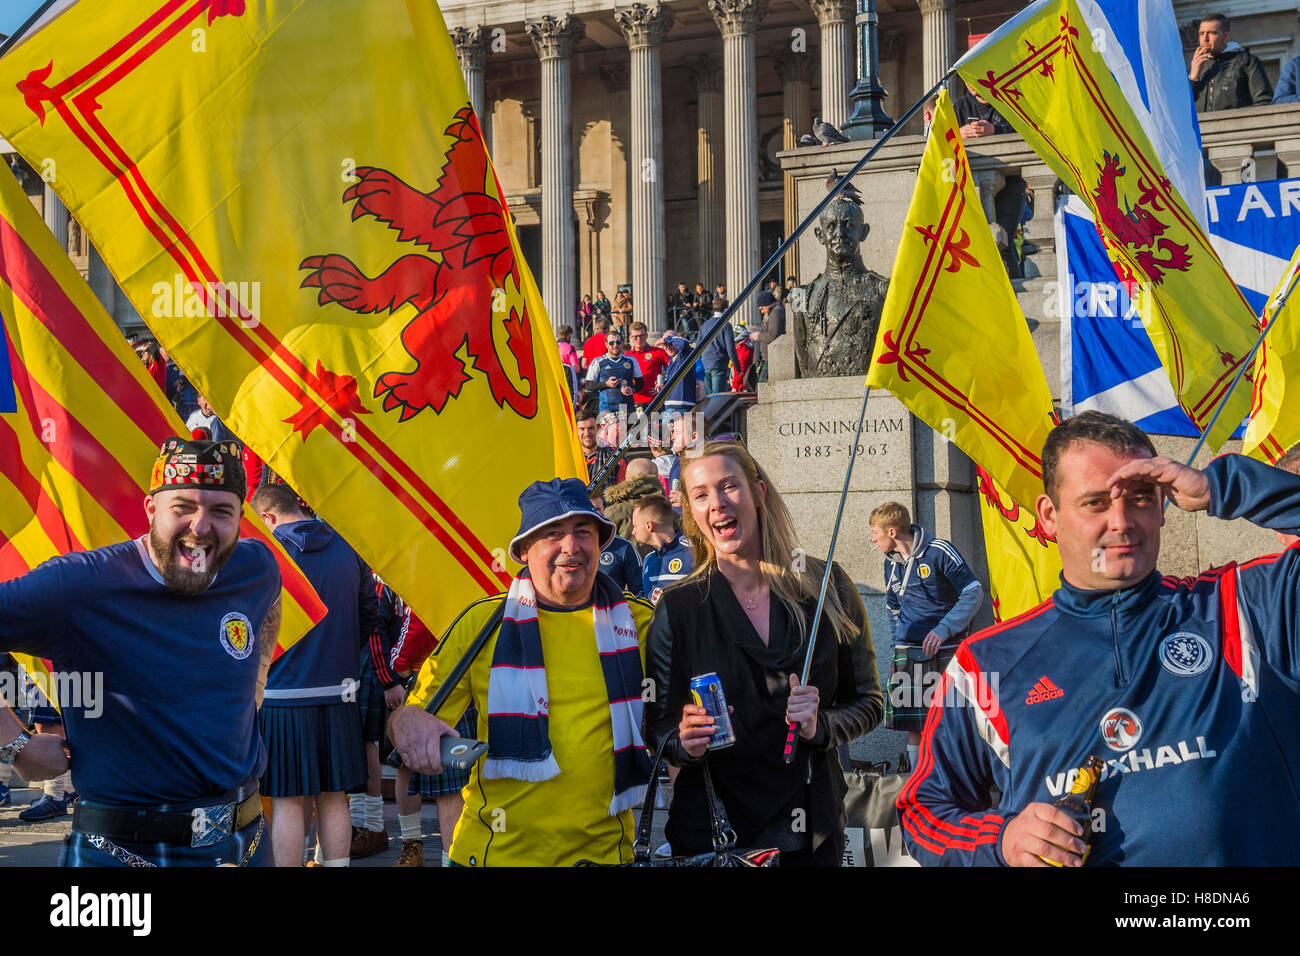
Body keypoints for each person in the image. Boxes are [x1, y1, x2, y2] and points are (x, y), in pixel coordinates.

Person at [899, 410, 1300, 866]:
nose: (1123, 521)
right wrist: (1003, 841)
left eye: (1142, 498)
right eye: (1096, 503)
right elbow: (922, 813)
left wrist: (1222, 487)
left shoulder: (1243, 607)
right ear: (1049, 516)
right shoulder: (984, 662)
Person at [0, 436, 280, 866]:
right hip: (119, 852)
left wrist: (254, 685)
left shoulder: (254, 567)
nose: (201, 526)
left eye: (221, 511)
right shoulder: (80, 585)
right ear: (151, 510)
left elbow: (269, 604)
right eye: (183, 507)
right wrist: (13, 745)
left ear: (241, 518)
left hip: (246, 844)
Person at [389, 478, 657, 866]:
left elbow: (686, 717)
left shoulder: (640, 623)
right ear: (524, 550)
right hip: (493, 855)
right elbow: (411, 716)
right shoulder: (483, 624)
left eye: (584, 532)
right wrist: (406, 723)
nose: (571, 547)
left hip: (604, 858)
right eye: (553, 534)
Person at [644, 442, 882, 866]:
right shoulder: (678, 608)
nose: (716, 503)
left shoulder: (827, 585)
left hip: (811, 831)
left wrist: (820, 725)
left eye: (729, 486)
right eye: (700, 494)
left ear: (759, 493)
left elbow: (869, 702)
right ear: (693, 515)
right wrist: (684, 741)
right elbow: (656, 729)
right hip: (714, 836)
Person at [251, 483, 379, 867]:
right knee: (333, 795)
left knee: (290, 800)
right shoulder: (347, 547)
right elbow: (370, 615)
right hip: (340, 694)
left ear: (267, 518)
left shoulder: (265, 555)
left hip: (281, 696)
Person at [869, 501, 983, 768]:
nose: (873, 539)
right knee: (914, 725)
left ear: (893, 532)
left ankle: (954, 780)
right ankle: (916, 782)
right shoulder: (891, 565)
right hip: (908, 654)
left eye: (876, 532)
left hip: (946, 652)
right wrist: (899, 641)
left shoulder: (939, 551)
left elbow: (973, 591)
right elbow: (892, 606)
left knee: (948, 720)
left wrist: (943, 629)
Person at [349, 572, 408, 860]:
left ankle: (371, 825)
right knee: (360, 746)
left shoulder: (372, 581)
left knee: (365, 745)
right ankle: (359, 822)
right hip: (365, 668)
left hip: (371, 669)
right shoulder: (376, 578)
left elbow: (375, 633)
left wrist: (387, 680)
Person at [1190, 13, 1272, 112]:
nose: (1205, 38)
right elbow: (1181, 109)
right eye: (1201, 33)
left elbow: (1264, 102)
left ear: (1225, 37)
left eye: (1211, 33)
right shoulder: (1196, 67)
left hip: (1236, 126)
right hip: (1201, 127)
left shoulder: (1247, 61)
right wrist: (1193, 78)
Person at [632, 493, 693, 604]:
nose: (633, 532)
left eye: (635, 526)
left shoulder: (692, 551)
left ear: (649, 525)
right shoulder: (649, 560)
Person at [590, 490, 645, 596]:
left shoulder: (624, 547)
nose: (595, 514)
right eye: (590, 509)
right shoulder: (569, 549)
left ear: (604, 509)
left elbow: (639, 593)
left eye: (598, 509)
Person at [584, 330, 643, 415]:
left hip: (628, 409)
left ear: (622, 343)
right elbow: (588, 385)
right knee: (613, 429)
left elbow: (640, 383)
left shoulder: (631, 360)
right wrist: (606, 384)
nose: (615, 345)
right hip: (607, 410)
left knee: (630, 429)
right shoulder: (598, 361)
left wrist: (632, 389)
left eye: (618, 342)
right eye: (611, 343)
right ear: (606, 344)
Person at [577, 408, 624, 496]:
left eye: (591, 428)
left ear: (599, 428)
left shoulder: (615, 457)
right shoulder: (568, 459)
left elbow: (622, 495)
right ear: (576, 431)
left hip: (606, 508)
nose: (587, 433)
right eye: (582, 429)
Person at [698, 297, 739, 395]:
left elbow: (698, 348)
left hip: (705, 364)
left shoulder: (704, 325)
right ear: (726, 309)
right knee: (717, 398)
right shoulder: (726, 325)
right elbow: (730, 349)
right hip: (719, 364)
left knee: (707, 399)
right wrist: (738, 367)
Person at [625, 322, 669, 408]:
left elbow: (674, 368)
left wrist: (664, 384)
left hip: (653, 402)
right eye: (635, 337)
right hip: (632, 402)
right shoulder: (626, 356)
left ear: (646, 335)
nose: (639, 339)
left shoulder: (658, 352)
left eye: (641, 336)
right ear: (630, 337)